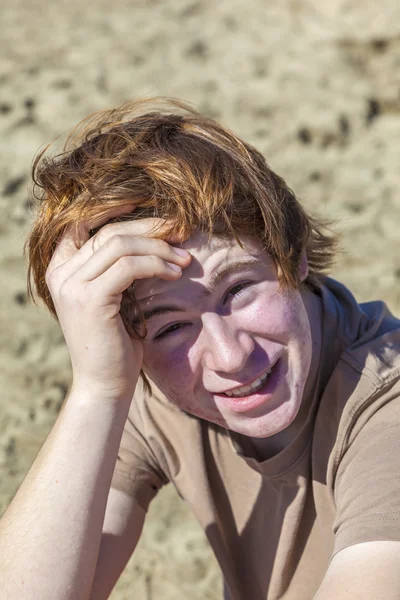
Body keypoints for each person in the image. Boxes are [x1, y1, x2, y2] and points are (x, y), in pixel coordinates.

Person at [0, 97, 399, 600]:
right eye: (170, 328)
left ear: (292, 253)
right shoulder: (153, 392)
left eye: (237, 291)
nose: (230, 358)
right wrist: (98, 391)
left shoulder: (385, 406)